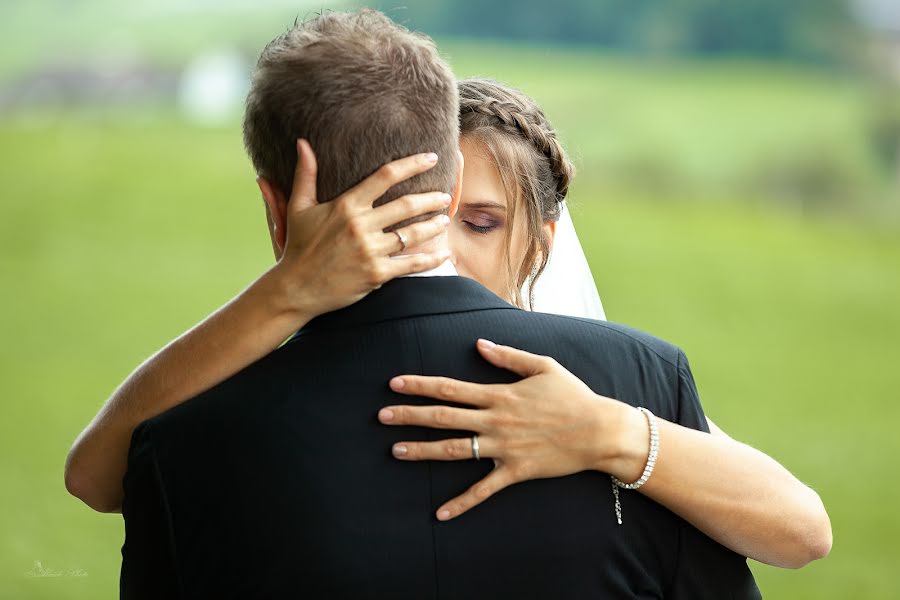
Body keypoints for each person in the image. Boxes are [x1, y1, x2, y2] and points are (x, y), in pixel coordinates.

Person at [66, 9, 815, 597]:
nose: (443, 248)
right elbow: (93, 472)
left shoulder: (617, 391)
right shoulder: (640, 370)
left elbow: (802, 529)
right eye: (435, 218)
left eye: (480, 223)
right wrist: (288, 293)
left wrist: (607, 433)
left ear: (543, 242)